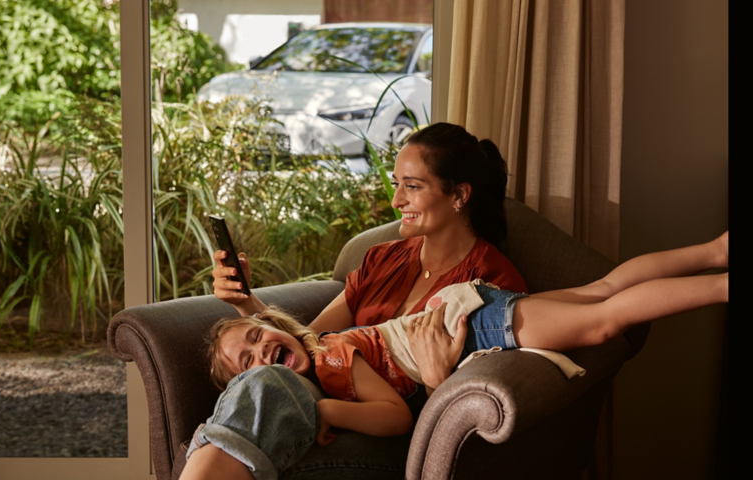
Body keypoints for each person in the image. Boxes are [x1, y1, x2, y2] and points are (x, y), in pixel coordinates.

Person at [181, 123, 528, 480]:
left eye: (411, 186)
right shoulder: (383, 259)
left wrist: (434, 380)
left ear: (459, 195)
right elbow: (310, 339)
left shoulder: (489, 284)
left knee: (264, 391)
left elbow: (469, 405)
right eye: (396, 184)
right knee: (263, 382)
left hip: (400, 432)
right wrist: (244, 303)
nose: (396, 201)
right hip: (331, 406)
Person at [209, 231, 728, 444]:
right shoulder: (320, 354)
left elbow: (392, 415)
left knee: (605, 317)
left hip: (468, 322)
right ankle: (716, 251)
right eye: (247, 361)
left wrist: (324, 414)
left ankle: (723, 283)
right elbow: (284, 340)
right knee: (603, 289)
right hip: (463, 305)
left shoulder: (329, 363)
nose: (262, 352)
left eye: (259, 336)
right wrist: (247, 308)